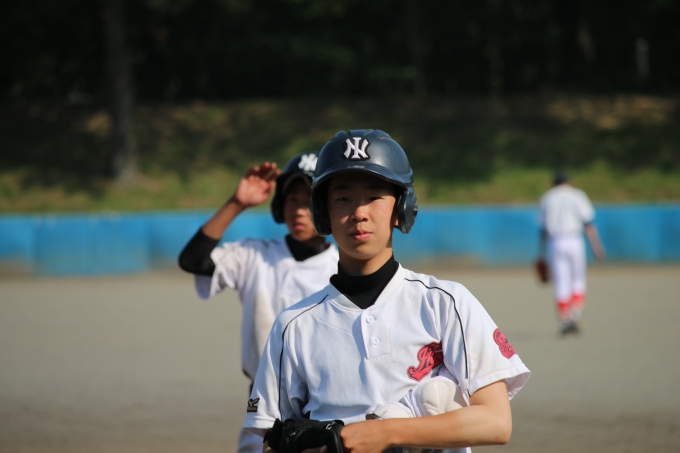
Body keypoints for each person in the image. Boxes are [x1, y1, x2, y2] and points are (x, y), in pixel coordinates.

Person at [243, 129, 530, 453]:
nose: (359, 213)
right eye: (342, 198)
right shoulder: (293, 325)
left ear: (401, 208)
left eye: (374, 196)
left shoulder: (445, 303)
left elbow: (496, 422)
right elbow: (271, 442)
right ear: (322, 213)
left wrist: (388, 433)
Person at [178, 153, 339, 453]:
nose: (299, 210)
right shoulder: (255, 255)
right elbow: (193, 260)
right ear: (279, 205)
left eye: (308, 200)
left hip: (325, 403)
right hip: (262, 402)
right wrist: (236, 203)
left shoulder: (343, 266)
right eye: (292, 199)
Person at [538, 171, 605, 335]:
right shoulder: (577, 195)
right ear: (569, 181)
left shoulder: (547, 197)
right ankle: (575, 314)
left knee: (561, 282)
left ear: (554, 183)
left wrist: (541, 253)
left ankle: (564, 320)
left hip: (555, 242)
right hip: (575, 240)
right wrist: (596, 246)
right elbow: (588, 223)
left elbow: (543, 230)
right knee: (578, 279)